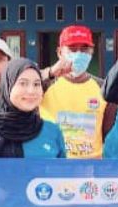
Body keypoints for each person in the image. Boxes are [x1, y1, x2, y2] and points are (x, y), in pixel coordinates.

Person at [39, 25, 107, 159]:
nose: (79, 54)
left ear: (92, 52)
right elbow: (17, 85)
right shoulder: (44, 84)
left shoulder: (102, 87)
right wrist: (51, 72)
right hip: (54, 166)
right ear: (59, 52)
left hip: (91, 169)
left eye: (84, 49)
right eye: (72, 49)